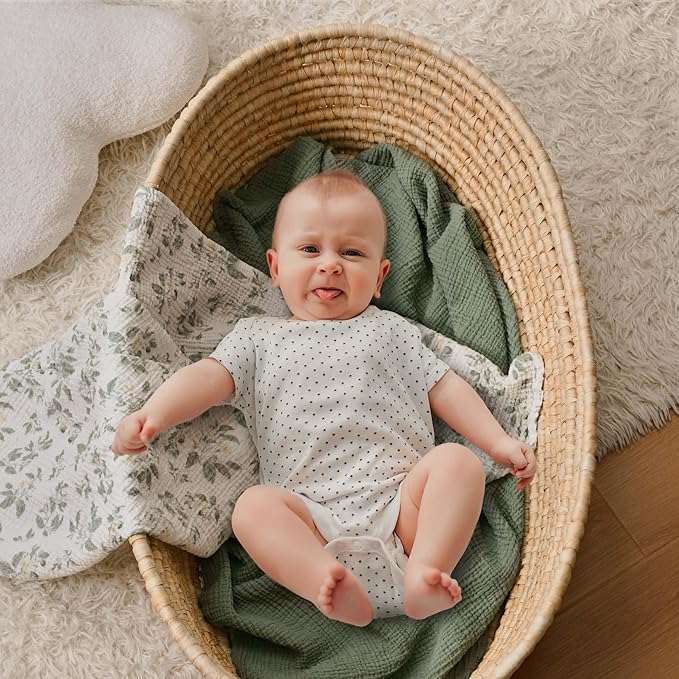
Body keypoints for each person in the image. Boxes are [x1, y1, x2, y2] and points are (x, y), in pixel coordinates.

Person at [112, 169, 536, 627]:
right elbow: (205, 378)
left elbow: (448, 388)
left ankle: (426, 573)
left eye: (352, 253)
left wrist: (497, 442)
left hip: (402, 514)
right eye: (311, 249)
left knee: (458, 463)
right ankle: (323, 582)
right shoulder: (257, 339)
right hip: (313, 526)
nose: (331, 264)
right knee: (252, 509)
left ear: (379, 277)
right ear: (276, 269)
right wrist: (154, 413)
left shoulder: (391, 331)